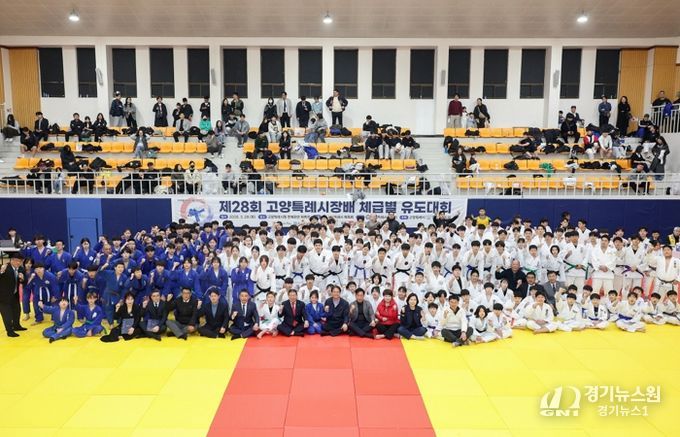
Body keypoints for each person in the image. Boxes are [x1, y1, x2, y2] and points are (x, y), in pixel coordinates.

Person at [0, 253, 26, 337]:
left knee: (17, 311)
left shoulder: (21, 269)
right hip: (3, 296)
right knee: (7, 315)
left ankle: (16, 326)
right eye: (16, 261)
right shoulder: (4, 267)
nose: (18, 263)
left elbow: (24, 282)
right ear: (11, 260)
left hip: (15, 295)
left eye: (20, 261)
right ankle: (9, 331)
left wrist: (22, 279)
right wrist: (1, 272)